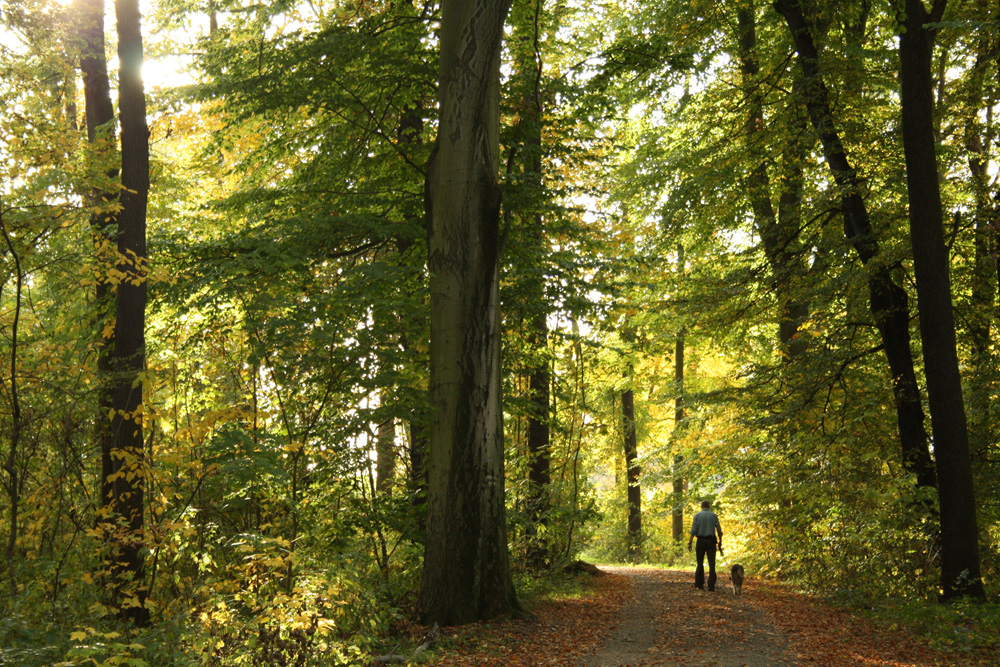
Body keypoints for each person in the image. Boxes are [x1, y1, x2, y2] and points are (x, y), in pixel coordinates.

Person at [687, 500, 723, 591]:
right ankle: (711, 585)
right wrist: (720, 542)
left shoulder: (697, 516)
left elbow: (694, 530)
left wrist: (690, 542)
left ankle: (699, 584)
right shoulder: (714, 516)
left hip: (701, 541)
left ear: (701, 506)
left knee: (700, 562)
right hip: (711, 541)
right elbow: (719, 530)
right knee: (712, 563)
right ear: (709, 506)